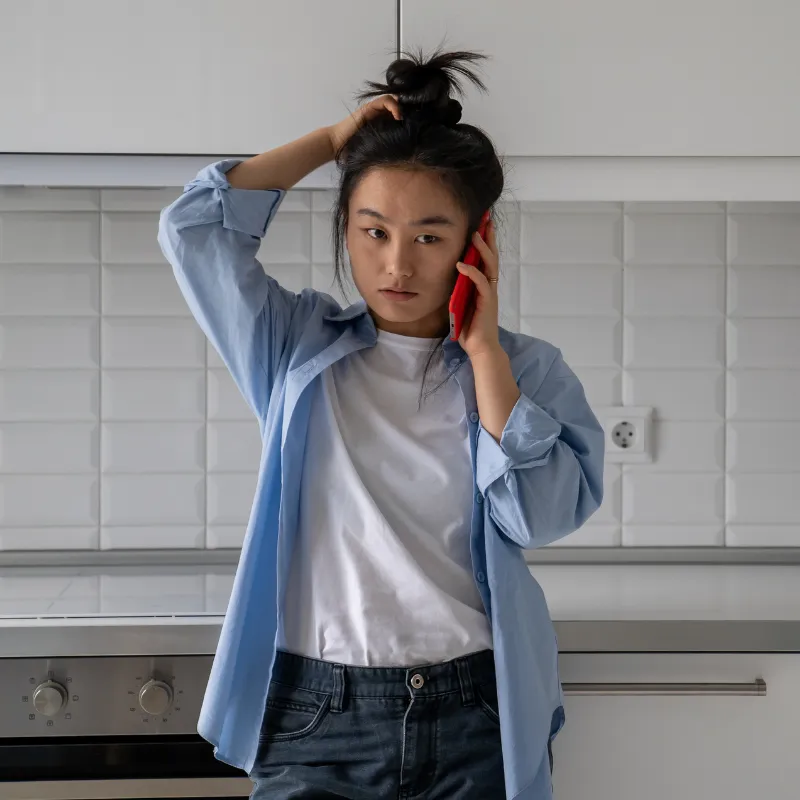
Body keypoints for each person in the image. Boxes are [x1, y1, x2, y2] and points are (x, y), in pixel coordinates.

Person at [158, 46, 605, 800]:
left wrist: (485, 353)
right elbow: (194, 229)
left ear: (477, 241)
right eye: (373, 232)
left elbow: (540, 518)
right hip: (314, 714)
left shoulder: (528, 372)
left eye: (430, 236)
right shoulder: (294, 350)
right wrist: (335, 142)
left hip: (475, 711)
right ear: (346, 231)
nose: (398, 264)